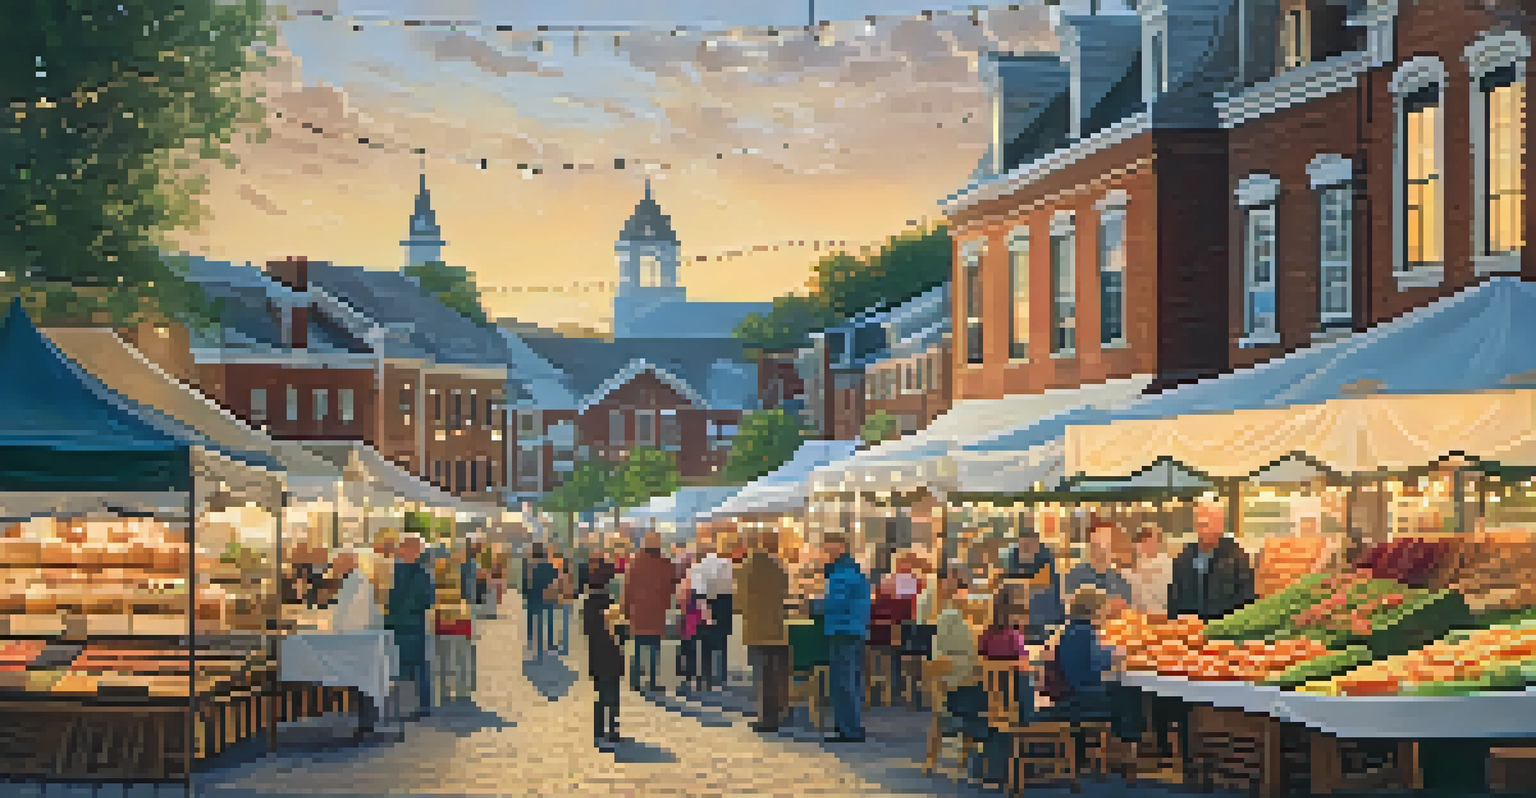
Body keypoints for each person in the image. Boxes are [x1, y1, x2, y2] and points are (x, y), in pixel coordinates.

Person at [738, 530, 790, 732]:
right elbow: (784, 591)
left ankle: (766, 717)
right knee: (775, 673)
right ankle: (776, 712)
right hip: (776, 626)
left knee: (763, 674)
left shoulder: (748, 566)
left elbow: (740, 597)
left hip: (756, 627)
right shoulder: (778, 567)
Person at [820, 532, 870, 743]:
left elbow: (836, 603)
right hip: (852, 629)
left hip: (843, 629)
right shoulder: (853, 571)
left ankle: (848, 728)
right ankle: (848, 726)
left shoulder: (842, 573)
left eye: (829, 547)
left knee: (843, 681)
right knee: (849, 679)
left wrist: (814, 605)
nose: (826, 551)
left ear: (840, 547)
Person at [1168, 505, 1256, 620]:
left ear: (1220, 526)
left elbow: (1246, 598)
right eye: (1199, 524)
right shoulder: (1185, 556)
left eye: (1206, 524)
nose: (1201, 530)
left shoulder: (1237, 556)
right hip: (1188, 630)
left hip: (1223, 629)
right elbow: (1174, 595)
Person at [330, 550, 381, 735]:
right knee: (362, 681)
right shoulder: (354, 581)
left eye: (337, 562)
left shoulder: (355, 582)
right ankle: (365, 721)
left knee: (363, 681)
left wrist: (341, 632)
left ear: (348, 562)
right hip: (357, 637)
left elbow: (353, 614)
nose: (334, 566)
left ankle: (367, 722)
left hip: (357, 638)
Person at [385, 533, 435, 719]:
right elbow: (428, 600)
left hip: (404, 623)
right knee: (416, 666)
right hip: (410, 624)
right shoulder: (421, 572)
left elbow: (388, 597)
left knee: (407, 666)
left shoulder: (396, 572)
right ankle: (419, 705)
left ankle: (412, 705)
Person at [622, 532, 675, 693]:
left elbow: (628, 587)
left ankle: (635, 681)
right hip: (657, 611)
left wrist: (625, 609)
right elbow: (670, 588)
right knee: (654, 647)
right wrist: (666, 605)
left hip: (638, 610)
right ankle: (652, 681)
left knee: (638, 646)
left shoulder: (635, 562)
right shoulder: (665, 563)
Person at [583, 560, 625, 748]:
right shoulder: (611, 602)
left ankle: (598, 731)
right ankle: (614, 730)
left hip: (596, 652)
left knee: (600, 693)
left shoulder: (588, 602)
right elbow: (621, 631)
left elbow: (586, 630)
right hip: (612, 651)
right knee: (613, 693)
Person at [690, 541, 735, 690]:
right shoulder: (726, 564)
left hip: (708, 603)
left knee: (705, 644)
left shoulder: (699, 568)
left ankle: (706, 676)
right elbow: (732, 587)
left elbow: (699, 591)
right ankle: (722, 677)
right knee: (722, 642)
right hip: (725, 604)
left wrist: (704, 610)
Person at [1005, 531, 1065, 643]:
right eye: (1022, 546)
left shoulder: (1046, 570)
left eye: (1028, 546)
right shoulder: (1014, 566)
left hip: (1044, 627)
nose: (1024, 551)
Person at [1063, 522, 1134, 610]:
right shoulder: (1075, 574)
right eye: (1094, 546)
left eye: (1103, 546)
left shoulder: (1119, 580)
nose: (1098, 552)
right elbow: (1066, 606)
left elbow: (1127, 607)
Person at [1126, 523, 1174, 616]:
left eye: (1149, 539)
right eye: (1141, 540)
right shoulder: (1128, 568)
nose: (1145, 543)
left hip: (1162, 616)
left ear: (1159, 542)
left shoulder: (1168, 564)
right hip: (1135, 618)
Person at [524, 544, 559, 657]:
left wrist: (525, 593)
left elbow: (525, 581)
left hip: (533, 595)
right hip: (547, 596)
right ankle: (549, 643)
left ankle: (533, 641)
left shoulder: (529, 566)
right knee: (549, 619)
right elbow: (556, 577)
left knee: (533, 618)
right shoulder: (548, 566)